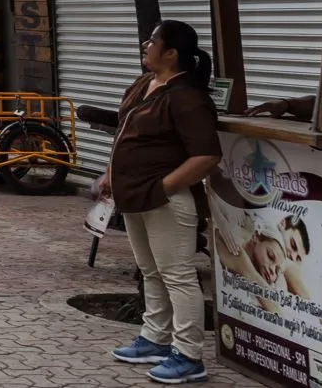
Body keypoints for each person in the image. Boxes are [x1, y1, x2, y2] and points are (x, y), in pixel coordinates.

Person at [101, 20, 222, 385]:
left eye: (152, 41)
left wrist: (164, 188)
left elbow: (206, 155)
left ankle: (188, 355)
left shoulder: (187, 96)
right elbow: (125, 134)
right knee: (150, 271)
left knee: (177, 275)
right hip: (135, 197)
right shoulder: (145, 84)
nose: (144, 44)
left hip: (166, 202)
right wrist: (110, 175)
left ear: (171, 53)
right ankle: (155, 338)